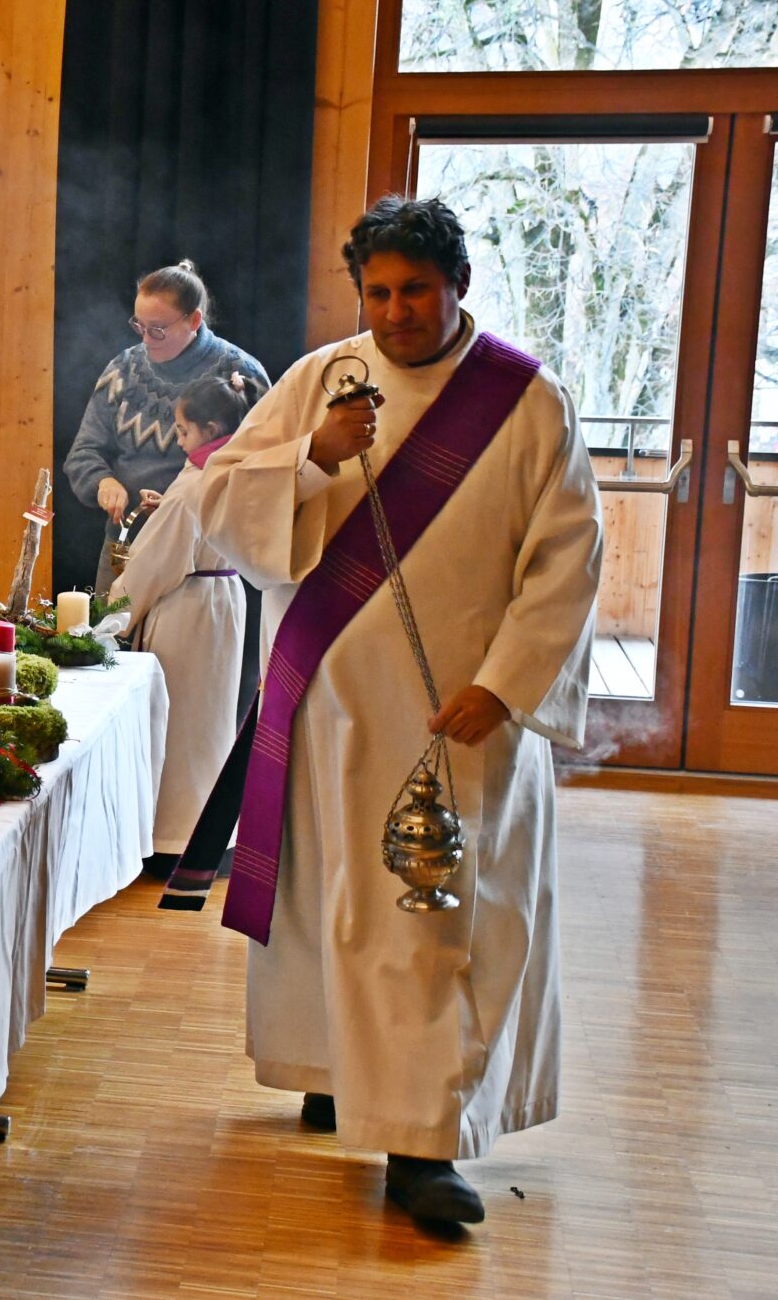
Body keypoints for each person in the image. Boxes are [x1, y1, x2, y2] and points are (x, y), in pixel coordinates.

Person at [187, 196, 602, 1226]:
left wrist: (506, 684)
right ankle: (337, 1067)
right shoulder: (322, 380)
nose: (394, 311)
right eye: (376, 292)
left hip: (455, 724)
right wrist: (312, 456)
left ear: (458, 284)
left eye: (415, 289)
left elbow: (567, 559)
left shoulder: (525, 402)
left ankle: (422, 1145)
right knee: (337, 908)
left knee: (432, 926)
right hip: (332, 713)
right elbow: (219, 498)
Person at [63, 260, 267, 596]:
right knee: (109, 630)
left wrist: (183, 504)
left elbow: (262, 471)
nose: (146, 339)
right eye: (139, 325)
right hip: (124, 544)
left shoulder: (240, 372)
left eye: (157, 329)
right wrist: (102, 481)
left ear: (194, 320)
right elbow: (83, 452)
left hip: (199, 560)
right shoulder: (123, 369)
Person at [114, 375, 250, 879]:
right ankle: (209, 836)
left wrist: (111, 616)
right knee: (210, 725)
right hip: (224, 601)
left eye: (183, 431)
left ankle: (173, 840)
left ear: (210, 428)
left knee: (181, 727)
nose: (177, 440)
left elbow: (154, 566)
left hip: (188, 610)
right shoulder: (236, 468)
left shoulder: (192, 486)